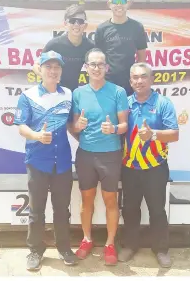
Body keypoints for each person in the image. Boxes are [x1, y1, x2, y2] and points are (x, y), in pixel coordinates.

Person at [14, 50, 78, 271]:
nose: (53, 71)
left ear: (61, 71)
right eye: (48, 67)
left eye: (57, 67)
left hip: (62, 162)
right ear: (40, 70)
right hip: (37, 161)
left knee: (62, 209)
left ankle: (64, 247)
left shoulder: (69, 94)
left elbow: (72, 124)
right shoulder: (28, 96)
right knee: (36, 210)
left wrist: (81, 129)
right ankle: (35, 250)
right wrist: (37, 136)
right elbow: (21, 127)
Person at [118, 62, 179, 268]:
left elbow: (174, 134)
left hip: (156, 168)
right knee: (130, 209)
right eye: (135, 77)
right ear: (130, 81)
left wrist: (153, 134)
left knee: (157, 210)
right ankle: (130, 245)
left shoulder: (163, 103)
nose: (139, 81)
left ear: (151, 79)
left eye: (144, 76)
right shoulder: (124, 104)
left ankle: (161, 249)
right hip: (129, 168)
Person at [72, 48, 129, 265]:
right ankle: (86, 239)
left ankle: (110, 243)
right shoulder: (78, 93)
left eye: (100, 64)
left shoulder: (118, 91)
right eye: (92, 64)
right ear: (86, 67)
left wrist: (113, 129)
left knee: (110, 200)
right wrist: (79, 125)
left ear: (107, 67)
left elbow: (125, 125)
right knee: (86, 200)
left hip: (110, 155)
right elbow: (74, 125)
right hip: (86, 154)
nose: (96, 68)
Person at [95, 0, 147, 96]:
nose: (119, 5)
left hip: (130, 85)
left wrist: (138, 79)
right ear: (109, 4)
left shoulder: (137, 27)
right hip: (106, 85)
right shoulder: (102, 29)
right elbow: (98, 59)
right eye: (115, 1)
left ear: (128, 3)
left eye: (122, 1)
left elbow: (141, 56)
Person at [33, 4, 94, 91]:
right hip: (50, 91)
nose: (76, 25)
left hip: (72, 92)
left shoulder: (90, 46)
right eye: (73, 21)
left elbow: (99, 68)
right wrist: (49, 78)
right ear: (65, 24)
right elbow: (36, 65)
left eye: (80, 21)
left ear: (85, 25)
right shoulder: (54, 44)